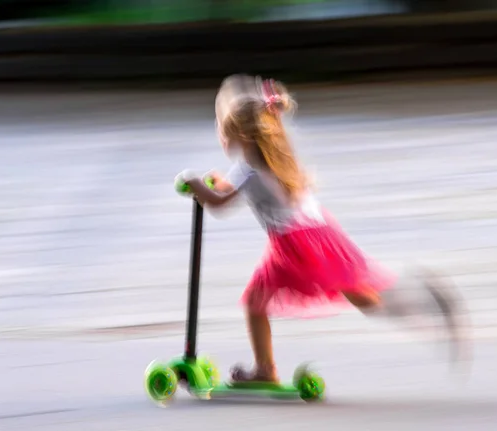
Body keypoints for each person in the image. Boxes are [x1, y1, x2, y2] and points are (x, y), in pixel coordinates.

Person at [179, 74, 468, 384]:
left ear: (242, 138)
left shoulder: (246, 168)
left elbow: (219, 204)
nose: (222, 139)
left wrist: (194, 183)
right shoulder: (277, 155)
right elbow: (241, 190)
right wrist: (220, 184)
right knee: (367, 299)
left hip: (295, 245)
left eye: (224, 133)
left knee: (254, 301)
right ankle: (424, 299)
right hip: (321, 232)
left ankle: (266, 370)